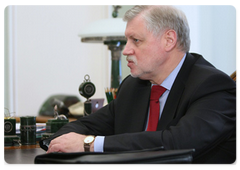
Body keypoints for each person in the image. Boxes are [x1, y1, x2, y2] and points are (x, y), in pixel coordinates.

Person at [40, 3, 237, 164]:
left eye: (136, 40)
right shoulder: (134, 86)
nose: (126, 50)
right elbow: (83, 126)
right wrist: (63, 142)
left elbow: (178, 143)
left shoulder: (213, 86)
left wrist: (89, 144)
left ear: (169, 40)